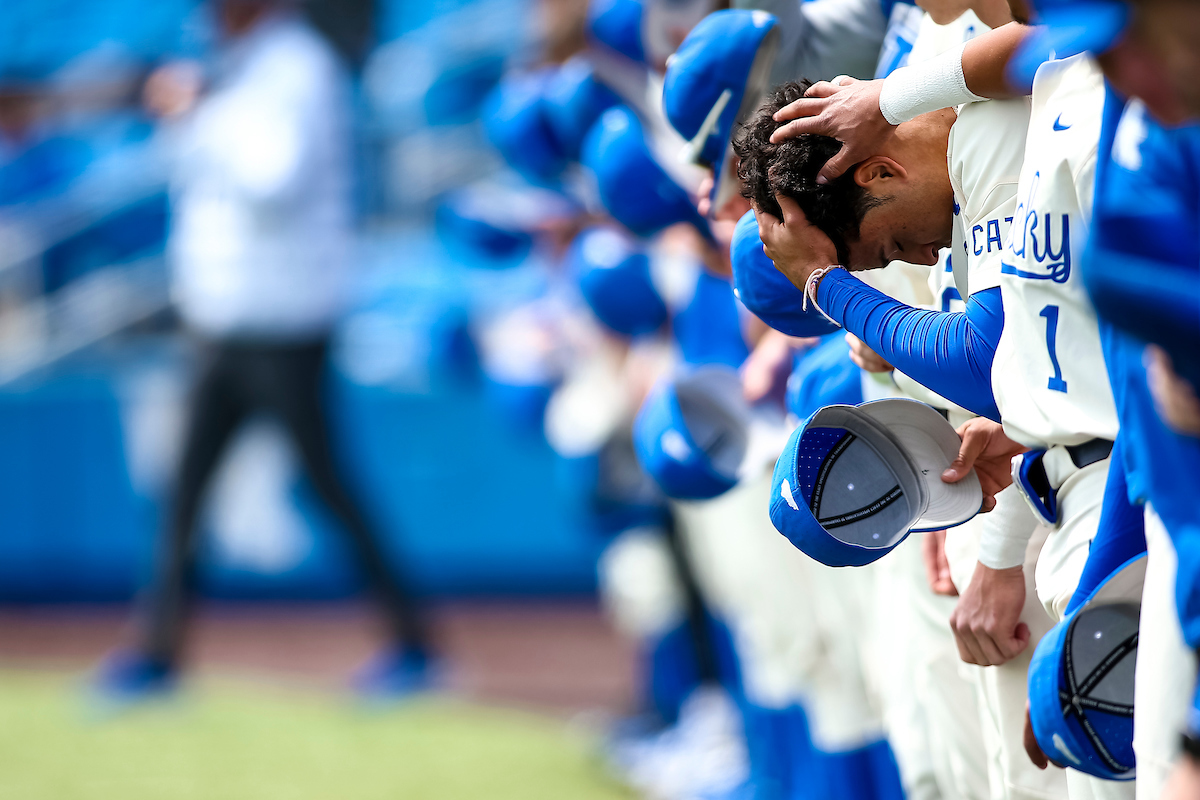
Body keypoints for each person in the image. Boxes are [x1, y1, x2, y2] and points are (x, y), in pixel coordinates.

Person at [95, 0, 434, 702]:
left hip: (283, 324)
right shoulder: (244, 69)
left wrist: (198, 113)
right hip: (223, 320)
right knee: (185, 492)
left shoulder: (299, 68)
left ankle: (414, 647)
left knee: (327, 485)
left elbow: (274, 181)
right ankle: (158, 654)